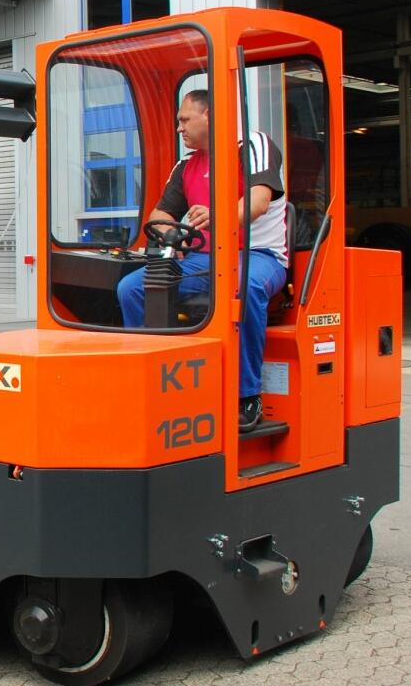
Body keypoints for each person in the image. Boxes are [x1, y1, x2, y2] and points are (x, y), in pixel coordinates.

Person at [116, 90, 287, 432]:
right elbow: (161, 212)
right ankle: (151, 380)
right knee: (133, 287)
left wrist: (218, 216)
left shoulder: (253, 145)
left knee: (245, 285)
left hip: (259, 256)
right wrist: (169, 234)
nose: (179, 128)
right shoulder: (186, 165)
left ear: (209, 115)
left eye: (184, 119)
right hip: (205, 260)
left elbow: (259, 200)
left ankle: (247, 395)